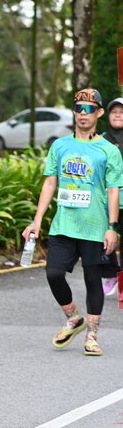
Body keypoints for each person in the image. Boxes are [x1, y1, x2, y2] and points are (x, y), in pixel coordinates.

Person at [23, 89, 123, 356]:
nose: (83, 113)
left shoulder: (108, 150)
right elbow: (50, 183)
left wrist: (112, 228)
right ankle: (73, 317)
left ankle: (92, 335)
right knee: (53, 273)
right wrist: (37, 220)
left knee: (92, 279)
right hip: (64, 224)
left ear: (99, 113)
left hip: (94, 225)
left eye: (89, 109)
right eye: (79, 108)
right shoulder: (60, 146)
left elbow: (113, 190)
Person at [100, 97, 123, 296]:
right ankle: (112, 273)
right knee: (103, 240)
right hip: (107, 200)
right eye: (114, 112)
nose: (117, 115)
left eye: (122, 112)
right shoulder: (101, 139)